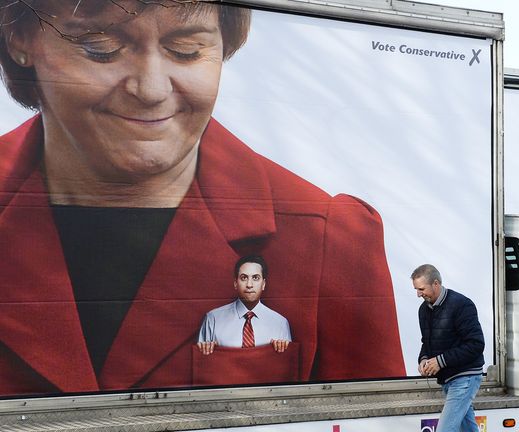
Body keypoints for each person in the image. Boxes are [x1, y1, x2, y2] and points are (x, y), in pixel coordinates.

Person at [0, 0, 404, 396]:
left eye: (186, 52)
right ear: (19, 38)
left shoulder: (328, 239)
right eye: (101, 48)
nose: (151, 89)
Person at [412, 264, 484, 432]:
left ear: (436, 284)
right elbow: (426, 342)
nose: (418, 294)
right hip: (448, 379)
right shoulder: (423, 310)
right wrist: (423, 359)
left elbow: (476, 344)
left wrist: (440, 361)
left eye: (421, 289)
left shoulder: (461, 305)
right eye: (416, 289)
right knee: (467, 429)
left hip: (465, 377)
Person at [198, 256, 291, 355]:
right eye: (244, 278)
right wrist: (206, 350)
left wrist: (281, 350)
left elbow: (286, 366)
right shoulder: (213, 319)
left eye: (255, 278)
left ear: (263, 284)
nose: (249, 285)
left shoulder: (280, 324)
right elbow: (203, 364)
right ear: (235, 283)